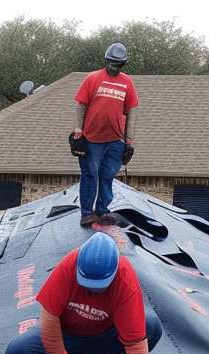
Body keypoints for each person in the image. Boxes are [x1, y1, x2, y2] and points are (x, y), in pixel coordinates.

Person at [5, 232, 162, 354]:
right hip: (67, 336)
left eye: (100, 286)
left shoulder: (125, 278)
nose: (93, 290)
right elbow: (49, 320)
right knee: (18, 352)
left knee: (150, 327)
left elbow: (135, 340)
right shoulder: (67, 267)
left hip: (108, 335)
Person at [70, 42, 138, 228]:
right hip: (92, 139)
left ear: (122, 65)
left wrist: (129, 141)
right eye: (110, 63)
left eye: (116, 64)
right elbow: (81, 105)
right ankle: (86, 213)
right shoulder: (92, 79)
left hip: (115, 140)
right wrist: (78, 132)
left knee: (107, 175)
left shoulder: (127, 83)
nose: (112, 67)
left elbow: (131, 111)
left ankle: (102, 211)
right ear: (106, 61)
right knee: (90, 175)